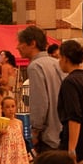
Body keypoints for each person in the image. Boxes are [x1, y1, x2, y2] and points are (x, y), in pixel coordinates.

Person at [17, 25, 63, 153]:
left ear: (32, 43)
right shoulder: (57, 63)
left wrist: (35, 130)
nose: (18, 47)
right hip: (62, 132)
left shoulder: (35, 66)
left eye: (21, 43)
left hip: (48, 135)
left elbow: (40, 102)